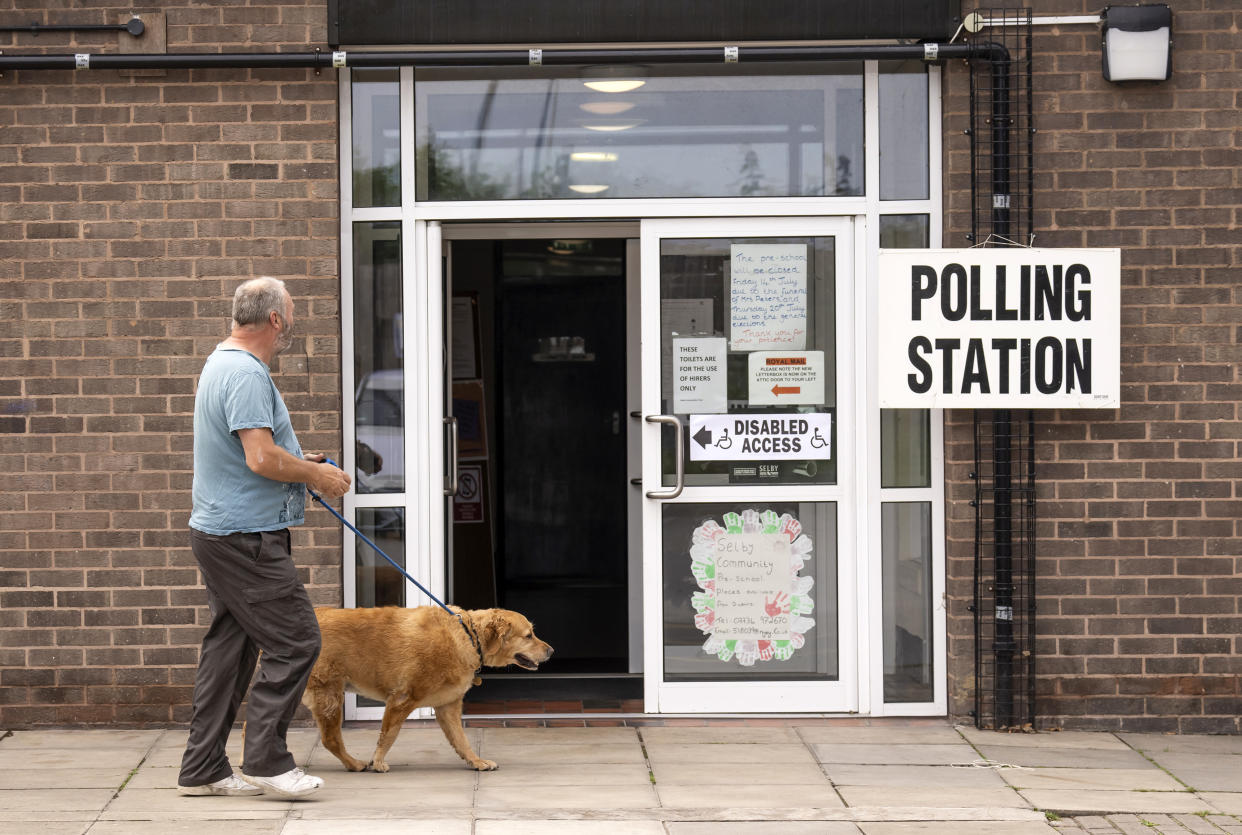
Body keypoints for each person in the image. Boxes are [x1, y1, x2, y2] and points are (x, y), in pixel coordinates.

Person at [177, 277, 351, 799]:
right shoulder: (247, 374)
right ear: (275, 319)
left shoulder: (220, 363)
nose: (291, 326)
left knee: (229, 652)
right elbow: (260, 457)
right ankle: (267, 761)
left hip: (221, 532)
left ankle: (203, 768)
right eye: (290, 316)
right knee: (297, 639)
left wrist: (303, 462)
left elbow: (253, 452)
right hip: (245, 539)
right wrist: (315, 476)